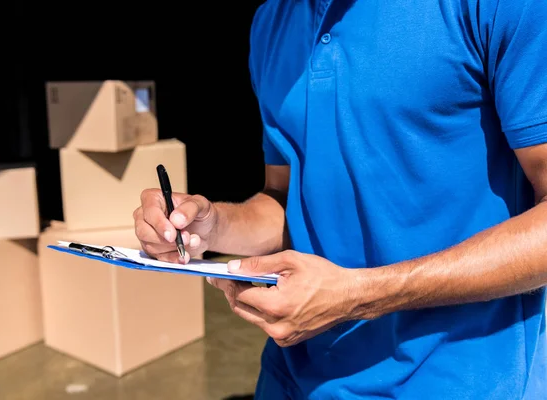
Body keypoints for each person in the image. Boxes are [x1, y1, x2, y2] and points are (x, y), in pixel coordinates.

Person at [134, 0, 547, 398]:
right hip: (293, 376)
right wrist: (213, 227)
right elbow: (285, 198)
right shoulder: (271, 22)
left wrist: (357, 295)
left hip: (460, 380)